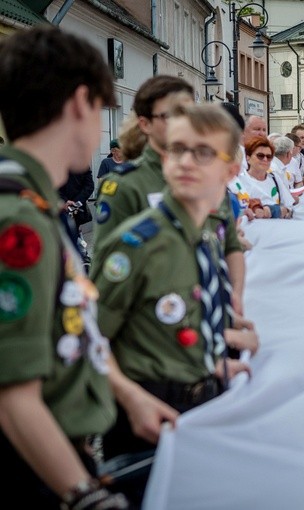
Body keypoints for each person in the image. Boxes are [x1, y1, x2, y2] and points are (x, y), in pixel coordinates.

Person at [92, 103, 256, 506]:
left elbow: (175, 323)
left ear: (230, 170)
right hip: (145, 415)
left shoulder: (205, 238)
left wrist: (215, 359)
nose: (184, 161)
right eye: (177, 149)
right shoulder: (138, 244)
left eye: (201, 153)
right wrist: (131, 398)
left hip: (202, 404)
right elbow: (89, 339)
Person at [0, 25, 129, 509]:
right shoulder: (20, 220)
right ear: (80, 103)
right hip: (36, 468)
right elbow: (12, 393)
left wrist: (130, 398)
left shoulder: (36, 205)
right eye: (100, 111)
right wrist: (84, 494)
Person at [94, 76, 246, 314]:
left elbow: (230, 246)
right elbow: (111, 272)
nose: (182, 121)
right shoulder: (126, 185)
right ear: (145, 124)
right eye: (170, 115)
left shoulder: (209, 176)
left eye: (187, 112)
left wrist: (234, 300)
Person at [240, 135, 294, 218]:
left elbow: (289, 206)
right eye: (260, 156)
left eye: (269, 157)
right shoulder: (240, 181)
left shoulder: (274, 178)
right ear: (248, 157)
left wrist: (273, 211)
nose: (265, 159)